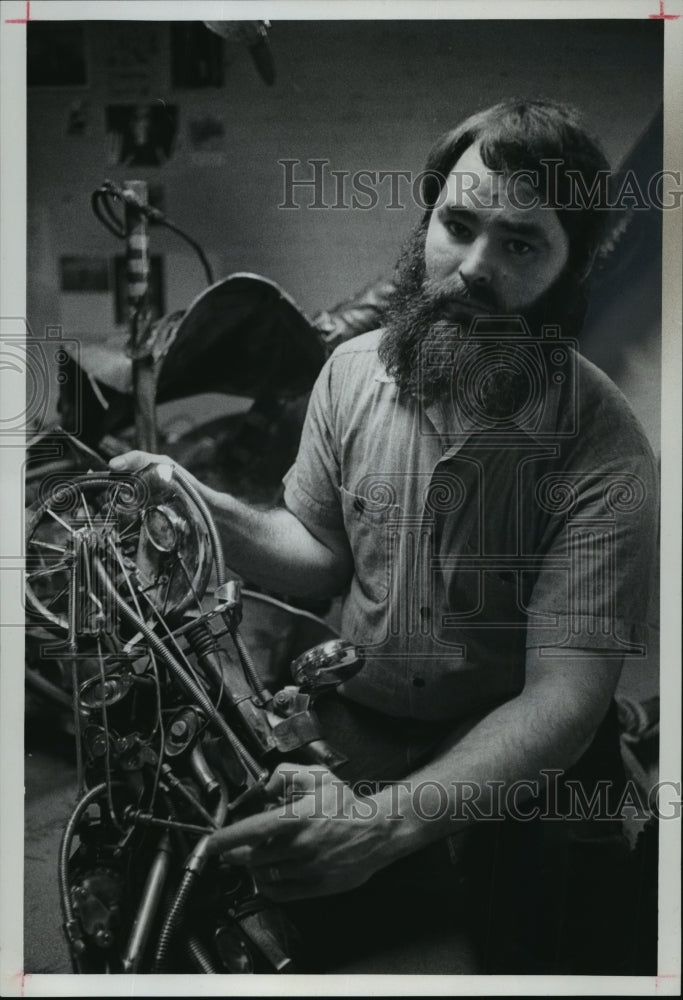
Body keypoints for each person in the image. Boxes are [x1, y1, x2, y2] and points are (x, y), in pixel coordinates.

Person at [110, 99, 659, 973]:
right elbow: (320, 549)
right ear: (428, 216)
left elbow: (563, 698)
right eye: (459, 224)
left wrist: (378, 830)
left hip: (506, 771)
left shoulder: (602, 444)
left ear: (568, 268)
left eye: (520, 244)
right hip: (357, 727)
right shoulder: (353, 373)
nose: (472, 267)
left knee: (517, 962)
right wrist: (207, 506)